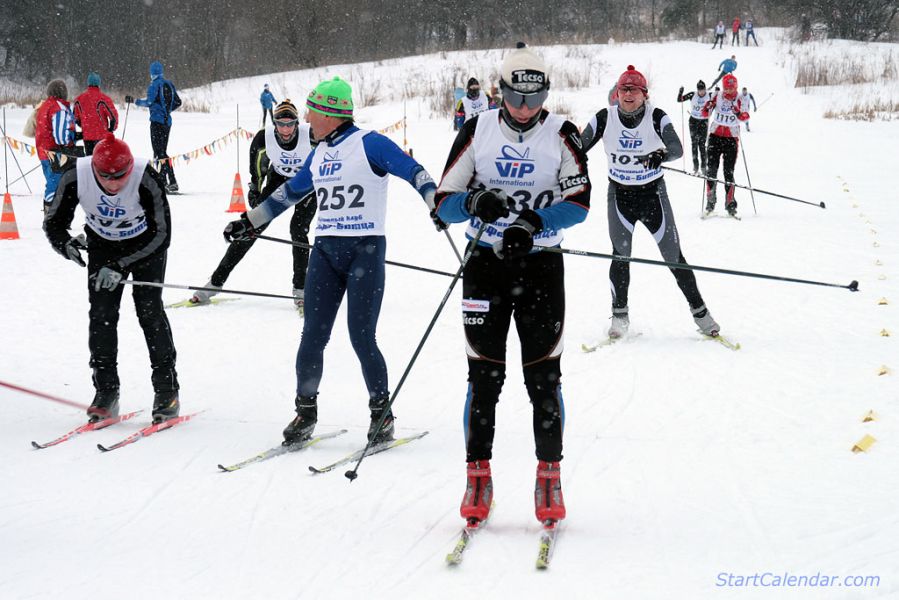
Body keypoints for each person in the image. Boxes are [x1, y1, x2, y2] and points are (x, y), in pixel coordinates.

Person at [223, 76, 440, 447]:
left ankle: (381, 414)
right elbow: (286, 194)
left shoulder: (369, 143)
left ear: (330, 113)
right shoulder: (319, 153)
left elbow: (413, 170)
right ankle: (305, 412)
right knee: (312, 335)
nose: (306, 118)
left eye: (312, 111)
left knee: (361, 336)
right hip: (325, 252)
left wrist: (434, 200)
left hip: (364, 252)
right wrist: (249, 221)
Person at [434, 43, 591, 528]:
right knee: (484, 376)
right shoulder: (476, 128)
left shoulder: (562, 133)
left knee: (543, 375)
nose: (525, 108)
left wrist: (534, 222)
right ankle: (477, 473)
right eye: (515, 97)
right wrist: (475, 203)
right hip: (485, 264)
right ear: (500, 91)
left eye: (534, 96)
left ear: (545, 92)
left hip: (540, 264)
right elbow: (443, 202)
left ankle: (550, 474)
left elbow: (581, 202)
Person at [43, 134, 180, 424]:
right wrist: (65, 246)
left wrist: (121, 265)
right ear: (95, 169)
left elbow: (163, 234)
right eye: (106, 177)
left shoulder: (146, 178)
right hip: (103, 246)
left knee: (150, 312)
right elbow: (53, 223)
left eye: (120, 176)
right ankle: (106, 392)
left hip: (146, 248)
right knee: (102, 316)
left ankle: (167, 390)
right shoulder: (76, 176)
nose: (114, 183)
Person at [580, 65, 721, 342]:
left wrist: (660, 155)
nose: (628, 94)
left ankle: (702, 315)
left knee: (674, 257)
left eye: (634, 90)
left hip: (652, 196)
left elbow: (677, 149)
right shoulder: (604, 117)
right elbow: (578, 146)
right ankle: (619, 317)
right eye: (624, 89)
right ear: (617, 93)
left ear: (645, 94)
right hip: (620, 196)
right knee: (620, 255)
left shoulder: (657, 116)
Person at [191, 100, 316, 313]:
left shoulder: (311, 135)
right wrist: (255, 190)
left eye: (290, 124)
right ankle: (214, 284)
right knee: (251, 228)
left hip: (308, 185)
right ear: (274, 123)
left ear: (297, 123)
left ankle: (301, 290)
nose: (285, 129)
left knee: (298, 230)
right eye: (280, 124)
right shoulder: (263, 138)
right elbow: (257, 169)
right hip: (279, 180)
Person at [127, 60, 181, 194]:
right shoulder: (169, 84)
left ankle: (171, 181)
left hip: (157, 122)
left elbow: (148, 102)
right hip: (167, 122)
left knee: (159, 152)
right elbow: (178, 102)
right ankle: (165, 180)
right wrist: (167, 111)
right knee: (162, 151)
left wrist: (135, 101)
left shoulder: (154, 85)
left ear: (152, 73)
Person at [702, 74, 750, 216]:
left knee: (728, 172)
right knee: (711, 170)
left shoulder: (740, 98)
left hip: (731, 139)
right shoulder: (717, 95)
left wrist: (738, 112)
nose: (729, 91)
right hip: (715, 136)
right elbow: (705, 113)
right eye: (726, 89)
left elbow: (746, 116)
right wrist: (708, 106)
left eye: (732, 88)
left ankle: (730, 204)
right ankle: (710, 202)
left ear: (736, 87)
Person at [35, 79, 77, 205]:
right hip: (56, 154)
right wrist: (71, 139)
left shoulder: (44, 106)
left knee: (52, 183)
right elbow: (60, 138)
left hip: (43, 152)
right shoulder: (58, 107)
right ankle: (52, 219)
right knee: (58, 186)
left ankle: (50, 217)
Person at [73, 72, 119, 155]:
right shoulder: (104, 99)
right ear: (99, 83)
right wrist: (110, 130)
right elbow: (113, 117)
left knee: (90, 160)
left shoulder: (79, 99)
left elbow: (75, 118)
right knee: (102, 162)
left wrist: (85, 126)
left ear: (88, 83)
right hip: (102, 136)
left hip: (87, 136)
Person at [677, 80, 710, 175]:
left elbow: (718, 98)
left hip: (704, 121)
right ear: (697, 90)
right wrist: (680, 92)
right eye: (700, 90)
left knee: (702, 144)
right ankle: (695, 167)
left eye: (703, 90)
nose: (701, 92)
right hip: (693, 121)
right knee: (694, 144)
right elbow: (680, 100)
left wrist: (717, 91)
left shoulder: (709, 95)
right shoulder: (692, 95)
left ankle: (704, 166)